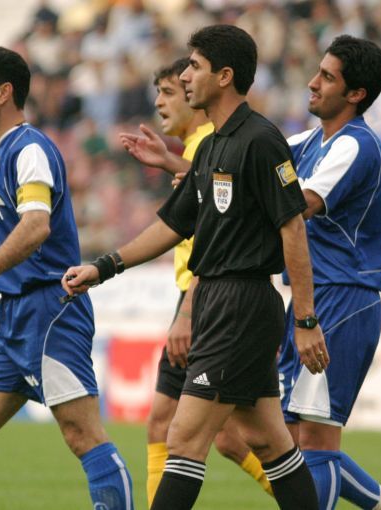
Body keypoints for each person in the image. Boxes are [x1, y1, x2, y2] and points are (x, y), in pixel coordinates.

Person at [65, 24, 326, 510]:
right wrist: (103, 267)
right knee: (268, 441)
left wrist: (306, 320)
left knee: (183, 438)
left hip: (240, 304)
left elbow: (293, 229)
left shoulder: (261, 140)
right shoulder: (208, 147)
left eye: (194, 67)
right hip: (219, 304)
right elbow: (172, 224)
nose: (185, 76)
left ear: (224, 76)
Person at [0, 45, 134, 510]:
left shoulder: (30, 149)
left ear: (4, 92)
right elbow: (18, 233)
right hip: (16, 315)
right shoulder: (1, 153)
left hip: (49, 311)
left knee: (83, 435)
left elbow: (36, 228)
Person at [277, 35, 381, 510]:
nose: (312, 83)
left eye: (327, 77)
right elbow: (251, 159)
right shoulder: (311, 142)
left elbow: (300, 204)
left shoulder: (355, 146)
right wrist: (181, 164)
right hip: (313, 294)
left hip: (342, 298)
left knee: (316, 440)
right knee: (292, 439)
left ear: (356, 93)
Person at [120, 57, 272, 506]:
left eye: (170, 91)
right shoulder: (198, 147)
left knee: (172, 427)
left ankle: (324, 494)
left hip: (207, 294)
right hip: (211, 294)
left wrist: (187, 311)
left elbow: (216, 222)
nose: (162, 101)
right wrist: (171, 162)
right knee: (236, 438)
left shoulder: (211, 140)